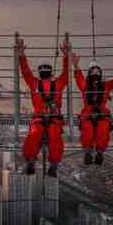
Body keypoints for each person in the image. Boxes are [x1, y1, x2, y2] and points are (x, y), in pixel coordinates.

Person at [16, 36, 70, 177]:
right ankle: (52, 165)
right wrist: (66, 55)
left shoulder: (35, 84)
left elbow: (26, 72)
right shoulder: (57, 84)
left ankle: (31, 161)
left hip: (41, 119)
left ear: (40, 72)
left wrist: (21, 54)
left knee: (34, 135)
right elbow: (66, 74)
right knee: (54, 136)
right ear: (50, 72)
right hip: (53, 119)